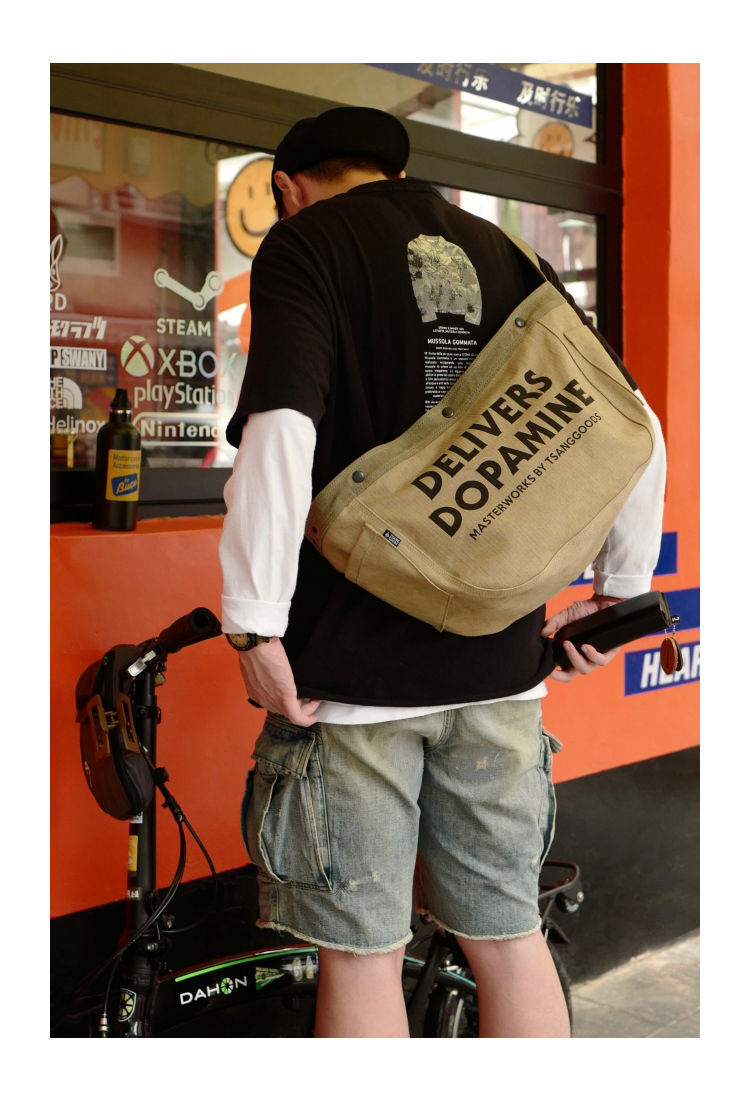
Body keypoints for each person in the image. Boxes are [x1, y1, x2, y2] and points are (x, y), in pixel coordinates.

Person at [218, 106, 666, 1038]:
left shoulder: (306, 245)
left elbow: (283, 431)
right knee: (508, 935)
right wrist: (620, 594)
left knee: (363, 954)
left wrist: (255, 622)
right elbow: (632, 422)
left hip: (350, 680)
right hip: (501, 672)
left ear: (287, 189)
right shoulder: (507, 252)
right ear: (393, 172)